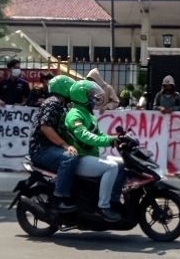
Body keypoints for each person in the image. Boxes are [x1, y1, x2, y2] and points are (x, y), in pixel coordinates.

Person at [64, 80, 123, 222]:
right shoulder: (75, 114)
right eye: (90, 95)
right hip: (80, 158)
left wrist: (114, 138)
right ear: (81, 96)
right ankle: (103, 206)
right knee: (112, 167)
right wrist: (107, 141)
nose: (93, 98)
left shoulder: (88, 114)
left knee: (123, 163)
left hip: (91, 156)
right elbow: (84, 136)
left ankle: (113, 199)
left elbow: (99, 134)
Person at [28, 75, 79, 212]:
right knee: (69, 158)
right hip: (41, 149)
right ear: (64, 89)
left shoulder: (62, 104)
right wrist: (65, 145)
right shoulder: (53, 103)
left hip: (49, 147)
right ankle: (59, 198)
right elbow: (46, 127)